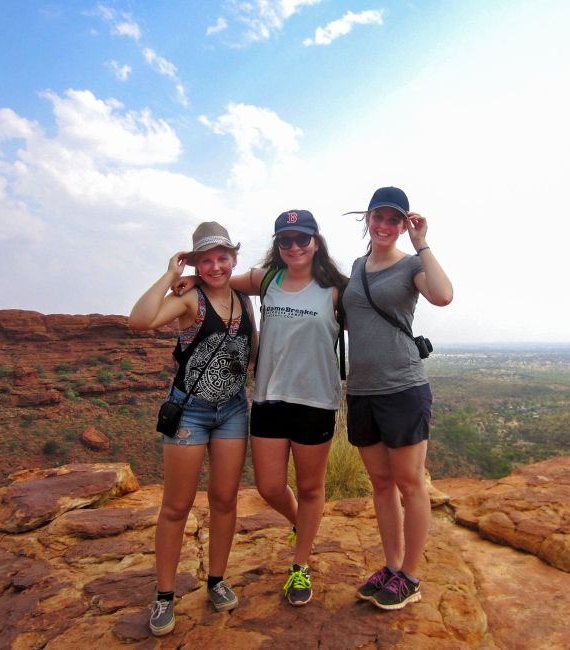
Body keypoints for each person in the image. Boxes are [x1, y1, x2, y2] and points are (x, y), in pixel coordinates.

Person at [174, 210, 347, 607]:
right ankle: (301, 525)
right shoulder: (266, 279)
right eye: (285, 240)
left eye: (302, 239)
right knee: (269, 486)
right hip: (270, 397)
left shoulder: (336, 289)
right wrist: (191, 277)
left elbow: (369, 321)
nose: (294, 247)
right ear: (277, 245)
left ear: (316, 242)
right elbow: (217, 278)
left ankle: (300, 565)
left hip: (315, 401)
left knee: (309, 488)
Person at [128, 221, 257, 636]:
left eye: (222, 258)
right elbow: (140, 320)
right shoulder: (189, 301)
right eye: (207, 259)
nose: (216, 266)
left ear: (233, 259)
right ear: (195, 263)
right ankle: (164, 595)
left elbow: (254, 351)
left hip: (234, 410)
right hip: (191, 412)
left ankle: (216, 580)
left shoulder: (243, 300)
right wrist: (171, 274)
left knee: (224, 499)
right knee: (177, 505)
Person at [342, 186, 453, 611]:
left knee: (410, 483)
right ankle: (390, 567)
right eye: (379, 217)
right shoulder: (356, 266)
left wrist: (422, 242)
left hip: (403, 387)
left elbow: (442, 295)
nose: (385, 226)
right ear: (367, 219)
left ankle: (411, 575)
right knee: (381, 483)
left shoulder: (410, 266)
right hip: (363, 390)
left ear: (404, 223)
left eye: (395, 219)